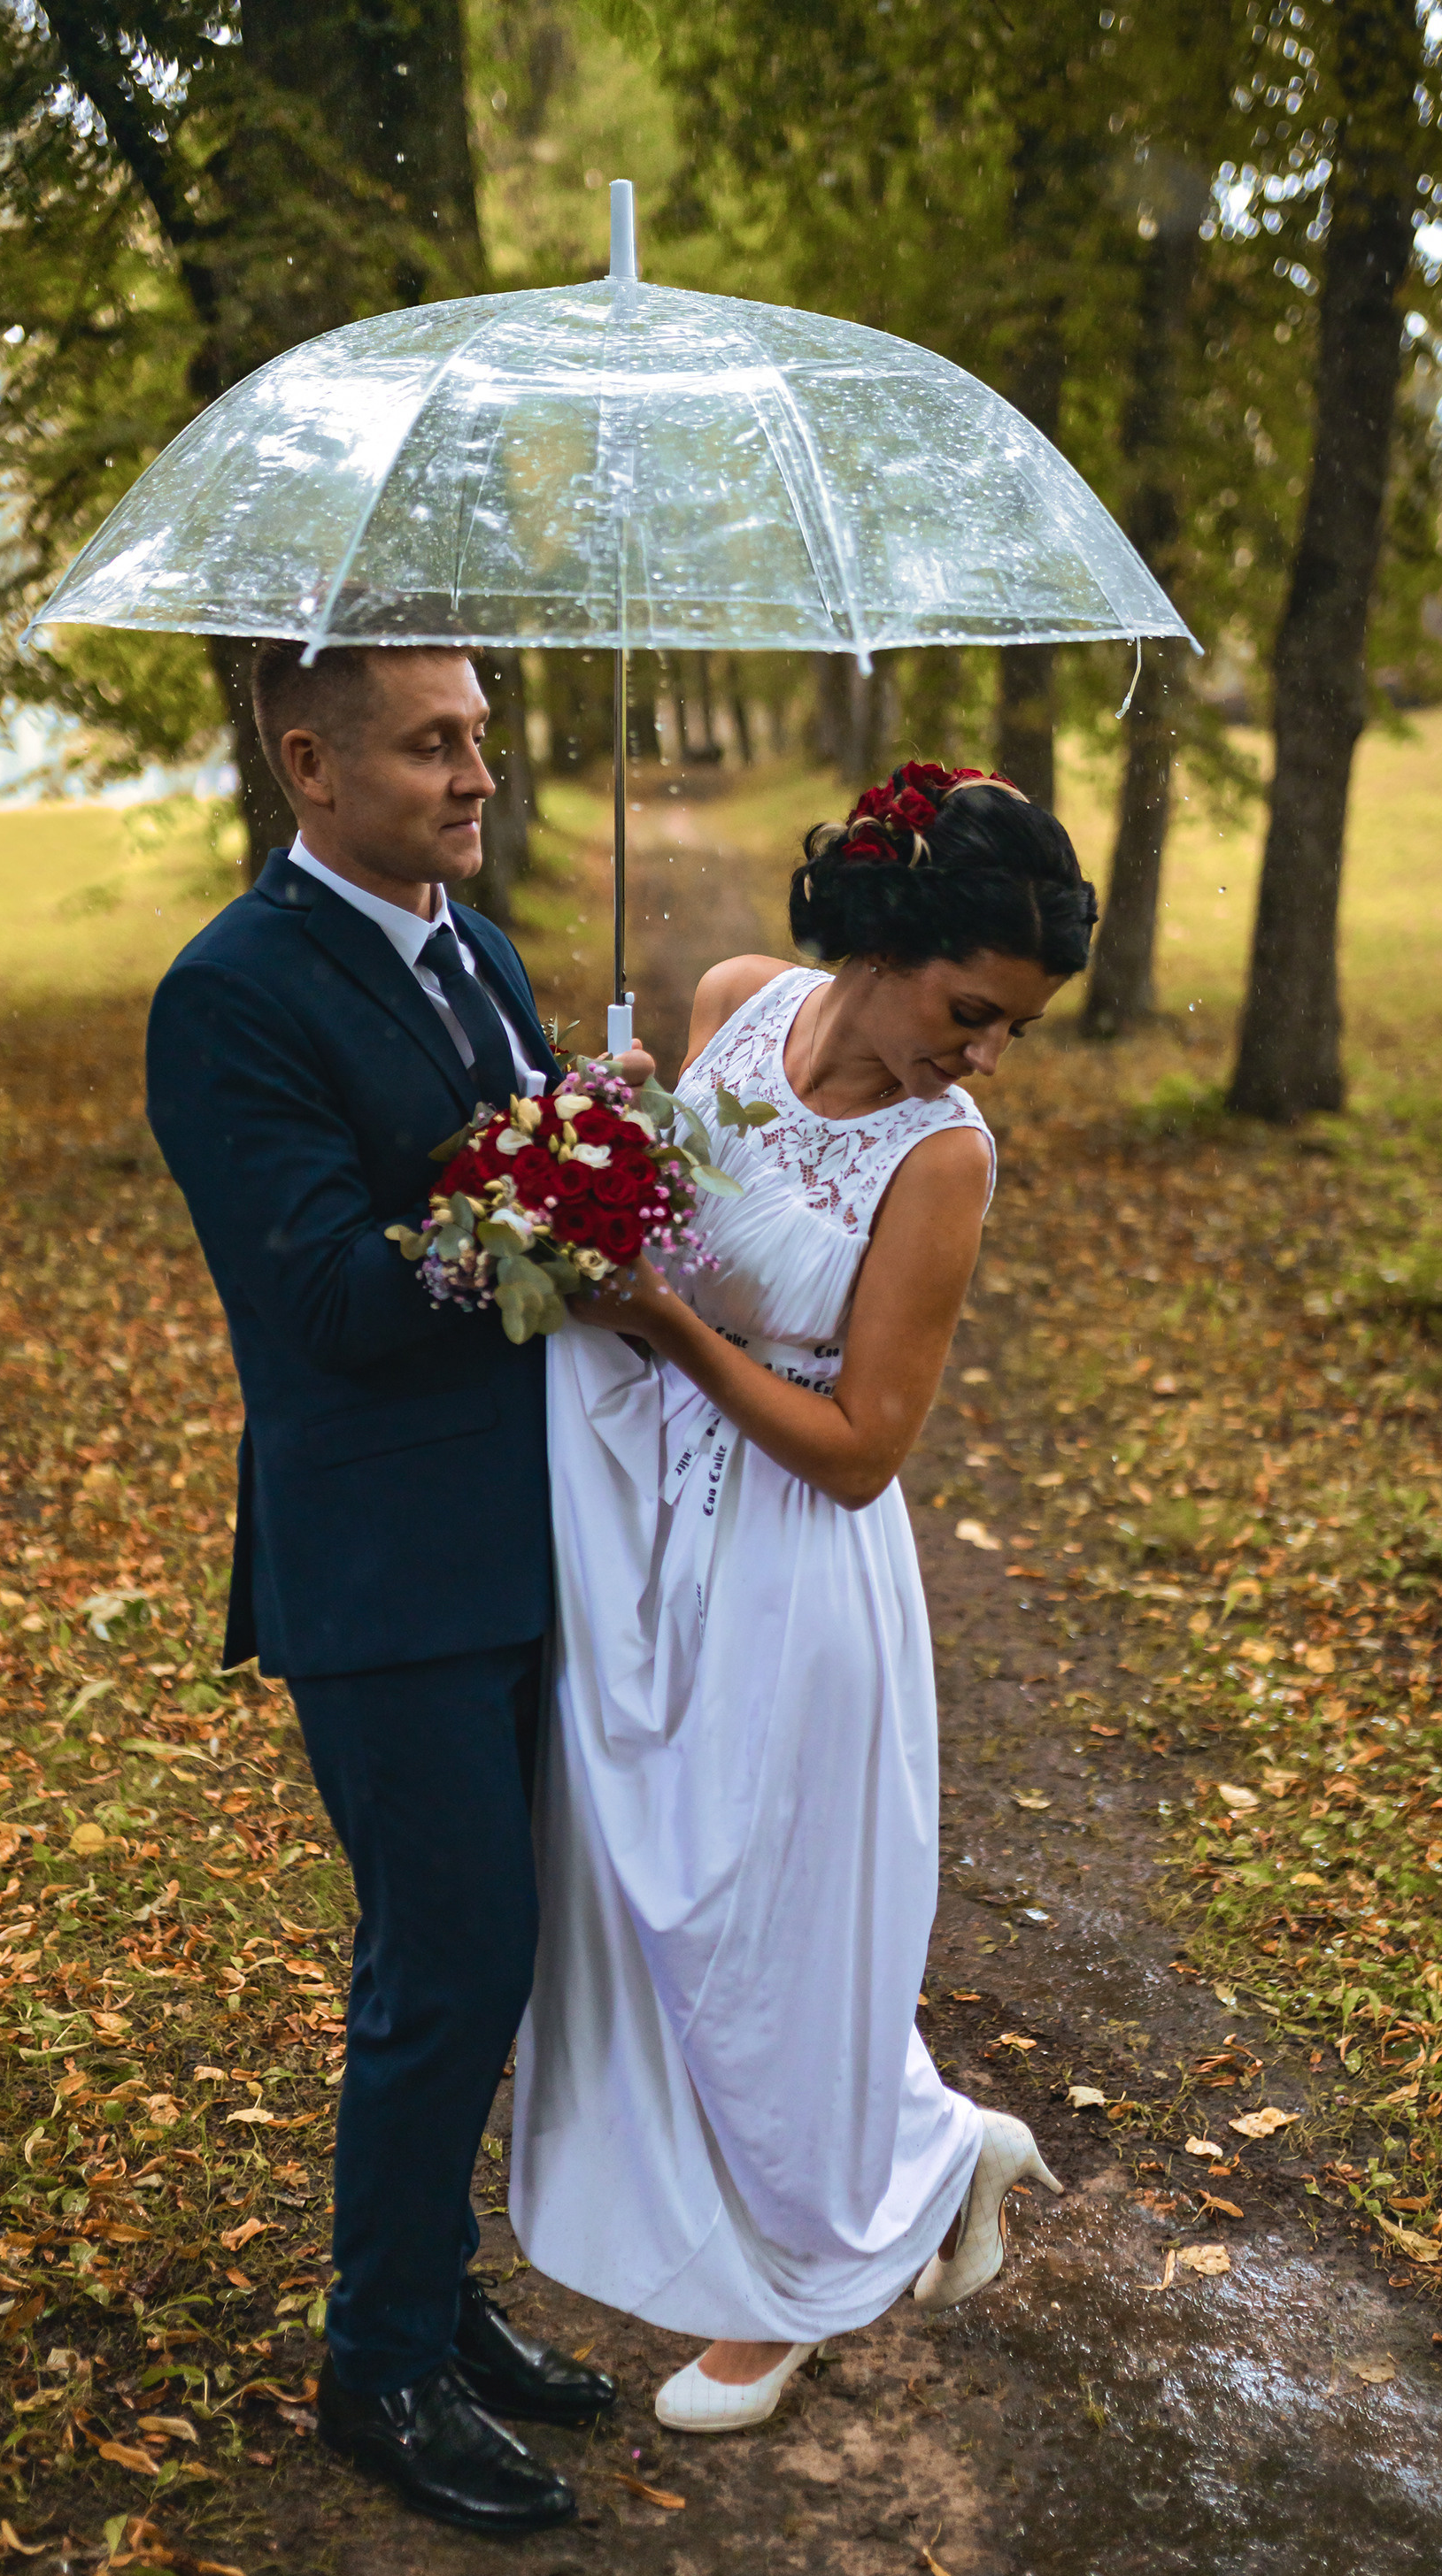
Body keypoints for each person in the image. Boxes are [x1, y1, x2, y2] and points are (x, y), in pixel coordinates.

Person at [511, 762, 1077, 2431]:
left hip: (791, 1566)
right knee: (640, 1891)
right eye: (972, 1011)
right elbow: (680, 1222)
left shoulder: (947, 1157)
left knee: (758, 1926)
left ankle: (793, 2276)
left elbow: (857, 1450)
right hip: (642, 1520)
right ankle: (940, 2148)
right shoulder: (735, 1005)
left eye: (1013, 1032)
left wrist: (666, 1322)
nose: (983, 1056)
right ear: (885, 939)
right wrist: (602, 1158)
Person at [145, 642, 617, 2530]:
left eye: (483, 741)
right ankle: (379, 2366)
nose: (473, 776)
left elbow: (527, 1206)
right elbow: (332, 1301)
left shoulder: (483, 953)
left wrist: (600, 1124)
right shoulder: (228, 993)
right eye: (433, 745)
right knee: (455, 1956)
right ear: (309, 762)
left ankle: (431, 2290)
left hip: (533, 1540)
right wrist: (548, 1180)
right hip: (383, 1568)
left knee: (480, 1948)